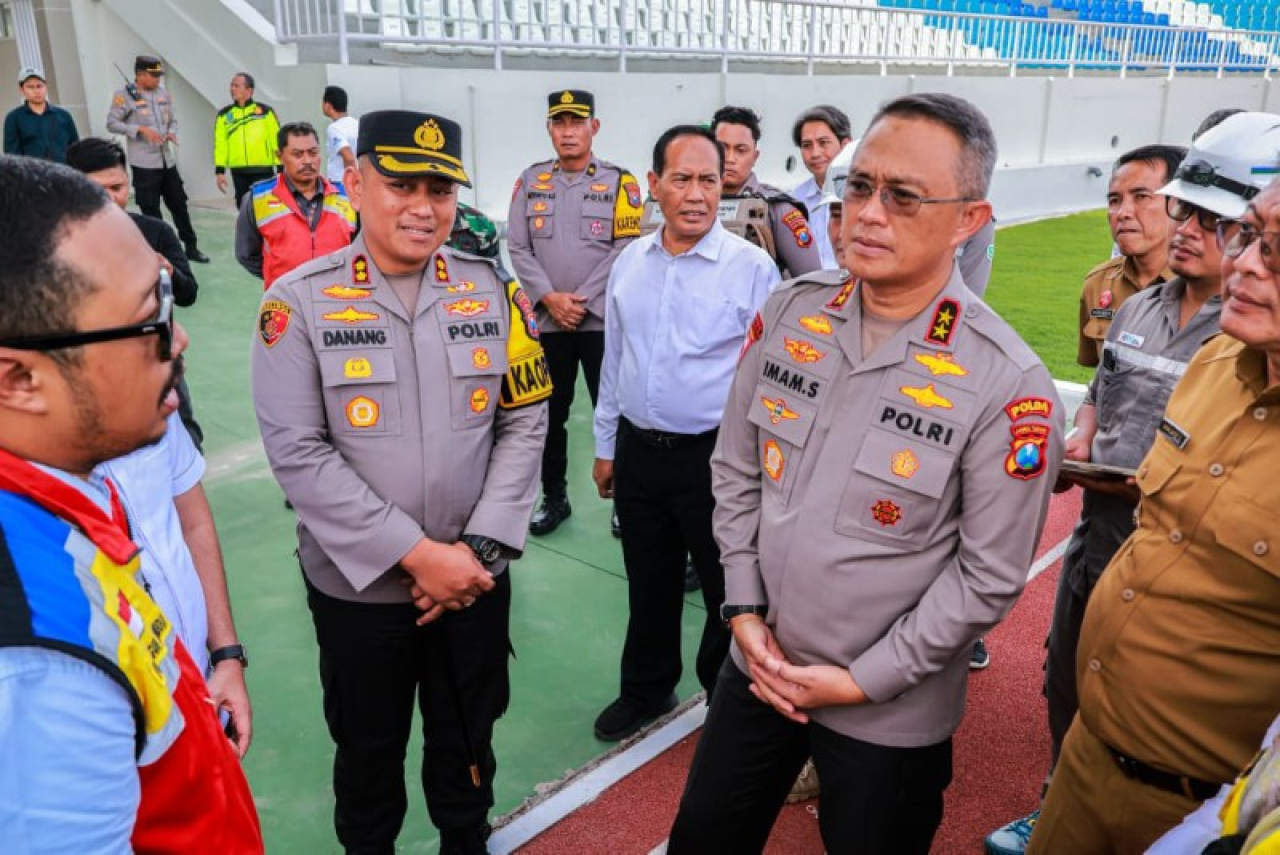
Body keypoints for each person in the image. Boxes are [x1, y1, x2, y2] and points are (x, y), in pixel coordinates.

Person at [667, 93, 1062, 855]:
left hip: (888, 710)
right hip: (759, 663)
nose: (869, 214)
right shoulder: (792, 311)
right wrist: (742, 608)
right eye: (859, 187)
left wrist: (862, 680)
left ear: (969, 220)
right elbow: (736, 468)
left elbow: (986, 575)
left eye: (904, 196)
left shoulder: (1006, 381)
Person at [250, 110, 550, 854]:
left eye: (439, 190)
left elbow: (525, 419)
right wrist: (419, 556)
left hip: (475, 580)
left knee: (469, 741)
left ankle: (465, 839)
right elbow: (298, 453)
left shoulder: (493, 290)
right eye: (401, 185)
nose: (424, 207)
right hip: (361, 596)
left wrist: (477, 551)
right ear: (355, 184)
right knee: (367, 752)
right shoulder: (298, 302)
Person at [1026, 112, 1280, 855]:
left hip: (1201, 809)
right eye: (1247, 236)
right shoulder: (1215, 361)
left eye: (1271, 248)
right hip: (1089, 755)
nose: (1245, 264)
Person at [0, 154, 261, 851]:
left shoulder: (65, 490)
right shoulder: (36, 667)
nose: (180, 338)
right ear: (19, 379)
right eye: (151, 318)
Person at [590, 124, 780, 743]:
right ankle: (646, 689)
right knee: (649, 578)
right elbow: (616, 359)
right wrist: (605, 446)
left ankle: (722, 696)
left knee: (729, 584)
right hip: (640, 453)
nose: (696, 194)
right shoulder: (629, 263)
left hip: (716, 458)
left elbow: (768, 377)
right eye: (682, 179)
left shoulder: (751, 270)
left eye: (708, 180)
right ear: (654, 184)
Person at [508, 89, 643, 537]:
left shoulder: (620, 182)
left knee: (615, 410)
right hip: (549, 323)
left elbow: (625, 245)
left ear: (593, 127)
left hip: (601, 321)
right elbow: (518, 247)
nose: (568, 131)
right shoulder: (530, 181)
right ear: (549, 128)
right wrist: (550, 298)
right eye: (560, 122)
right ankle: (554, 497)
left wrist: (579, 300)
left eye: (577, 122)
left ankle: (624, 499)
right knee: (548, 415)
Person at [65, 136, 204, 449]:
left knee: (186, 439)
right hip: (91, 371)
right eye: (97, 190)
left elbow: (188, 294)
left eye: (117, 188)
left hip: (158, 361)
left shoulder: (155, 232)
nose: (110, 199)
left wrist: (168, 271)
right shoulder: (55, 242)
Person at [1076, 147, 1184, 368]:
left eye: (1141, 197)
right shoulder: (1099, 283)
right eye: (1114, 200)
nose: (1122, 213)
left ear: (1179, 205)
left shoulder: (1204, 291)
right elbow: (1096, 372)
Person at [107, 55, 208, 264]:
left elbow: (173, 120)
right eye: (153, 75)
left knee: (179, 205)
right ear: (140, 75)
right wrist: (139, 129)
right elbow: (112, 123)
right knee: (151, 210)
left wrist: (171, 132)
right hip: (144, 164)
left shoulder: (163, 94)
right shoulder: (124, 96)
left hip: (166, 162)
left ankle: (191, 247)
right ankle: (161, 252)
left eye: (158, 75)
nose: (157, 79)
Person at [235, 121, 356, 289]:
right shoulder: (258, 199)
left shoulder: (347, 198)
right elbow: (247, 254)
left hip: (335, 297)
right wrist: (281, 277)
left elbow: (361, 249)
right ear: (279, 156)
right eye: (297, 154)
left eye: (313, 153)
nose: (307, 161)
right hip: (284, 298)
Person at [711, 105, 822, 278]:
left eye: (741, 150)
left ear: (755, 157)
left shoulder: (777, 209)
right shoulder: (692, 204)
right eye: (723, 148)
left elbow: (813, 281)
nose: (730, 159)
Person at [791, 105, 852, 270]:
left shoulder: (865, 196)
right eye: (807, 145)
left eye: (823, 143)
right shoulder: (794, 201)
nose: (815, 153)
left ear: (845, 145)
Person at [214, 72, 281, 208]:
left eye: (236, 86)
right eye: (231, 85)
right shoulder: (224, 115)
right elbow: (221, 144)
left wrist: (281, 168)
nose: (232, 89)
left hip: (263, 171)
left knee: (264, 209)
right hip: (238, 172)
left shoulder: (265, 111)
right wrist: (220, 171)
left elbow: (276, 140)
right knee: (243, 208)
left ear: (249, 90)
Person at [3, 66, 78, 162]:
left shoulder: (63, 116)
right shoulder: (14, 118)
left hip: (63, 170)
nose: (36, 91)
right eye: (30, 87)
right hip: (32, 170)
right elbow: (12, 156)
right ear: (22, 89)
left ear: (45, 86)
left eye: (39, 86)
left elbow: (76, 149)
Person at [322, 84, 359, 186]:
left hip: (340, 182)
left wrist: (351, 182)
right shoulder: (356, 124)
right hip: (358, 180)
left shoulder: (334, 128)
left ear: (328, 106)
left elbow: (348, 157)